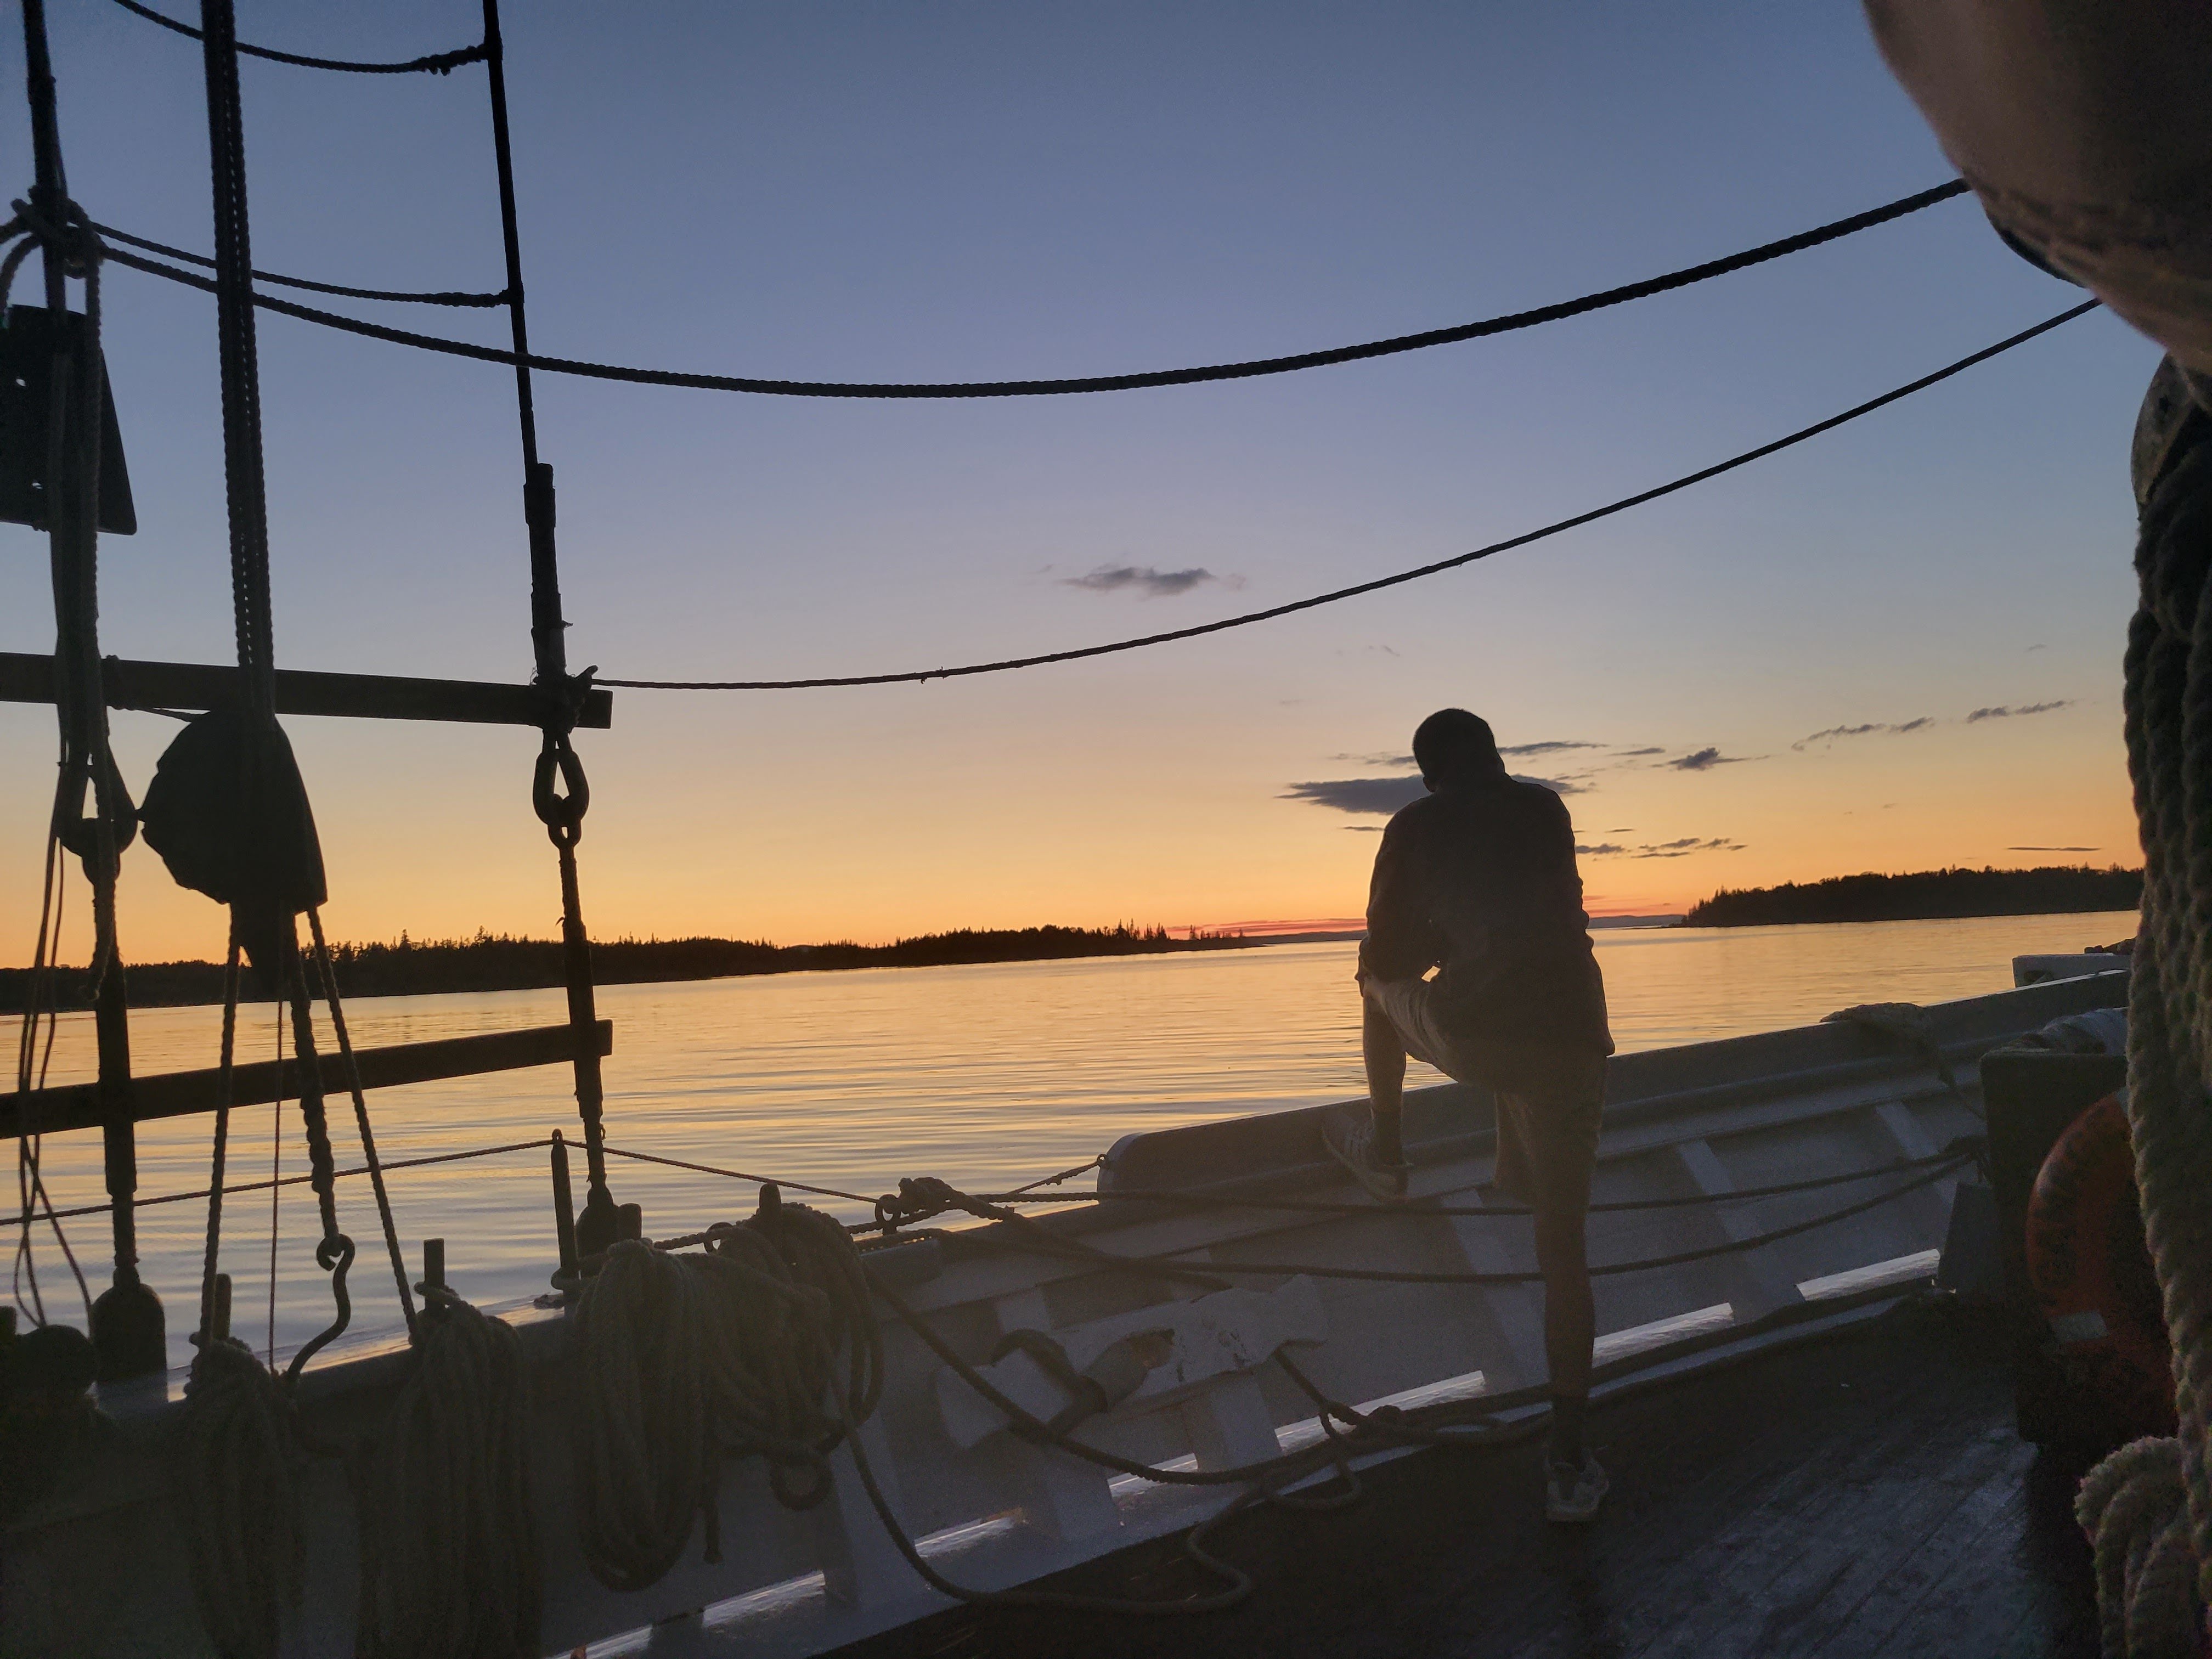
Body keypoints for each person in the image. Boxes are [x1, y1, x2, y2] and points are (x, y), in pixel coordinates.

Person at [1321, 708, 1614, 1523]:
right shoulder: (1546, 807)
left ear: (1428, 774)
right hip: (1574, 1042)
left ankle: (1386, 1151)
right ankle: (1569, 1462)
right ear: (1495, 756)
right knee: (1565, 1252)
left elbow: (1390, 958)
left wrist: (1413, 957)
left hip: (1482, 1039)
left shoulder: (1415, 824)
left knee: (1372, 989)